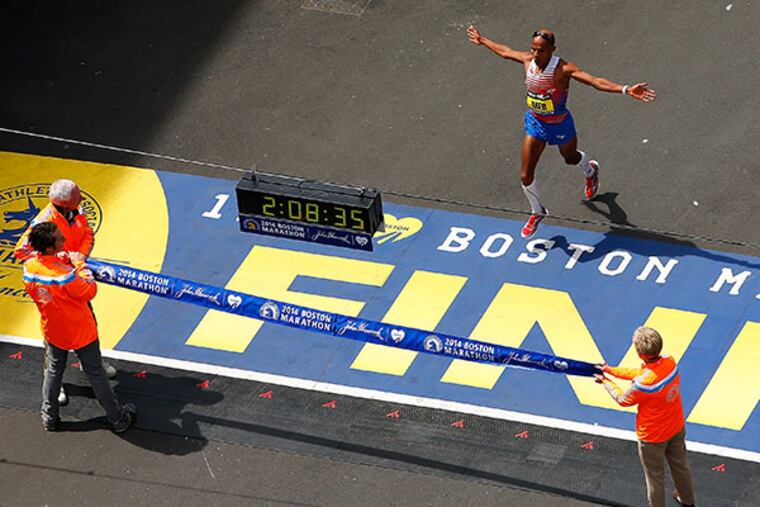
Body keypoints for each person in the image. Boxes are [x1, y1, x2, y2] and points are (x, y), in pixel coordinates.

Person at [467, 27, 656, 238]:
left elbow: (595, 81)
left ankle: (590, 170)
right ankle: (537, 211)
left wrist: (626, 89)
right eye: (534, 50)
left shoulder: (563, 69)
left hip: (560, 124)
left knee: (570, 158)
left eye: (541, 51)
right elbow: (505, 52)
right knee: (525, 174)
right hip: (536, 123)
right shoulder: (528, 60)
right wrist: (482, 40)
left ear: (552, 49)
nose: (536, 55)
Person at [22, 222, 136, 433]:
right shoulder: (65, 277)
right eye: (60, 239)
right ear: (49, 247)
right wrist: (80, 265)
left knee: (53, 372)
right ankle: (118, 418)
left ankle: (49, 416)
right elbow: (88, 290)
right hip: (81, 331)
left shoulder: (29, 269)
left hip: (53, 330)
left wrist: (62, 259)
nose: (64, 240)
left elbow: (47, 270)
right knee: (96, 374)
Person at [15, 178, 117, 405]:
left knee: (88, 319)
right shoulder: (45, 222)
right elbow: (21, 251)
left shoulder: (77, 209)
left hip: (73, 276)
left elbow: (88, 234)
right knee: (54, 330)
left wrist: (78, 257)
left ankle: (91, 362)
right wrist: (57, 259)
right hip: (53, 283)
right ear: (63, 203)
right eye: (77, 196)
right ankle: (55, 382)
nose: (81, 198)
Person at [595, 327, 696, 507]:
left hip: (652, 437)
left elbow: (623, 399)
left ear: (640, 353)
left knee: (655, 478)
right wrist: (611, 370)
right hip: (676, 426)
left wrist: (605, 381)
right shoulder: (670, 362)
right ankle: (687, 500)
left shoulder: (642, 385)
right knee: (680, 466)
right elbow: (641, 373)